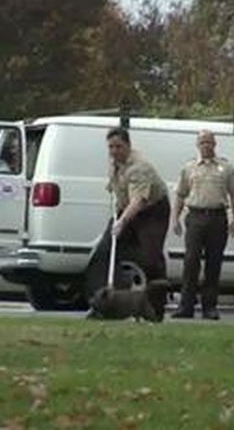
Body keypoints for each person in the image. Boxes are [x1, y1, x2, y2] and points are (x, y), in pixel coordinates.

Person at [86, 127, 171, 321]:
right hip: (125, 207)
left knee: (150, 258)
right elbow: (117, 189)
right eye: (111, 147)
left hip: (152, 211)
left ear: (128, 146)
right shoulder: (114, 163)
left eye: (118, 146)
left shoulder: (140, 167)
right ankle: (102, 305)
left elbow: (139, 201)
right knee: (104, 252)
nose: (114, 151)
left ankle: (155, 309)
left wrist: (123, 222)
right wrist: (118, 216)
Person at [172, 130, 234, 320]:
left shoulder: (226, 168)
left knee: (213, 263)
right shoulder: (189, 168)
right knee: (191, 262)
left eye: (209, 142)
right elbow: (180, 195)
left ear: (215, 144)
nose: (206, 146)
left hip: (217, 218)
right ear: (197, 145)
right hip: (195, 217)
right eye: (202, 142)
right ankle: (186, 306)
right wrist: (175, 219)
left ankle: (209, 307)